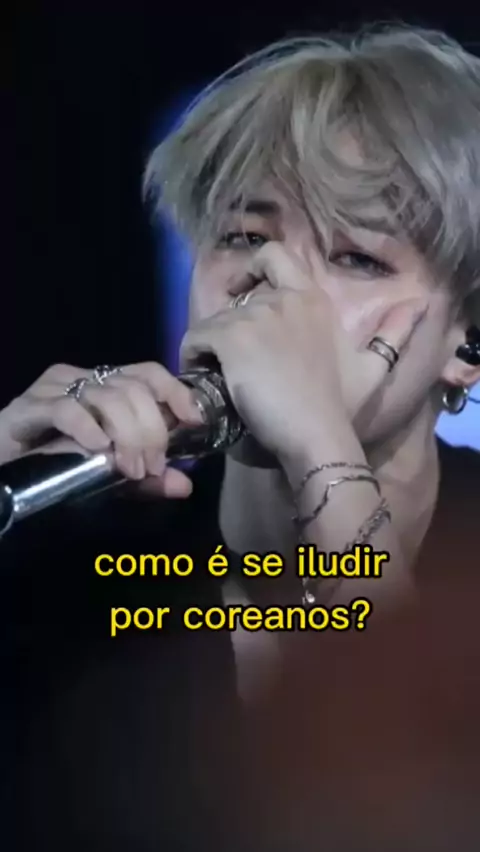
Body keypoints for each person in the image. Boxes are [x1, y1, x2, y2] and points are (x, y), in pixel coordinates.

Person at [3, 22, 480, 851]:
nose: (270, 287)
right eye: (244, 237)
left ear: (467, 344)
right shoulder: (77, 569)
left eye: (356, 257)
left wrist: (319, 445)